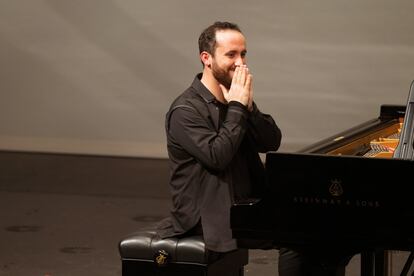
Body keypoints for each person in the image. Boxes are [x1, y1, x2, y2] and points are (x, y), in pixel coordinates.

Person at [157, 21, 281, 253]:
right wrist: (237, 107)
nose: (241, 63)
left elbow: (271, 142)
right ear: (207, 58)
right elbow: (217, 156)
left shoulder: (235, 99)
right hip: (208, 219)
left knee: (311, 235)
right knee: (294, 240)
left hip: (244, 207)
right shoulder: (185, 111)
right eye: (231, 54)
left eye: (243, 54)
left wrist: (249, 108)